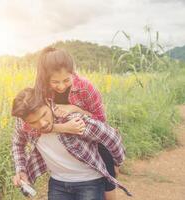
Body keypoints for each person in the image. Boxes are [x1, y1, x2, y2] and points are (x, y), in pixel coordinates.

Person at [11, 88, 131, 200]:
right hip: (57, 182)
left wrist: (117, 162)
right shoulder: (23, 125)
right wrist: (21, 170)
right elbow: (18, 144)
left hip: (90, 182)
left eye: (43, 115)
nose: (42, 124)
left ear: (48, 103)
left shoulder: (73, 120)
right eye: (33, 122)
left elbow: (112, 137)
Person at [34, 46, 118, 200]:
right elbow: (34, 125)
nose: (60, 86)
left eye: (66, 80)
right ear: (46, 78)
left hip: (95, 145)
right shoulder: (42, 91)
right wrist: (64, 128)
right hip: (70, 155)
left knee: (108, 187)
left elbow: (101, 122)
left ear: (73, 72)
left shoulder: (86, 88)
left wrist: (75, 109)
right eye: (55, 82)